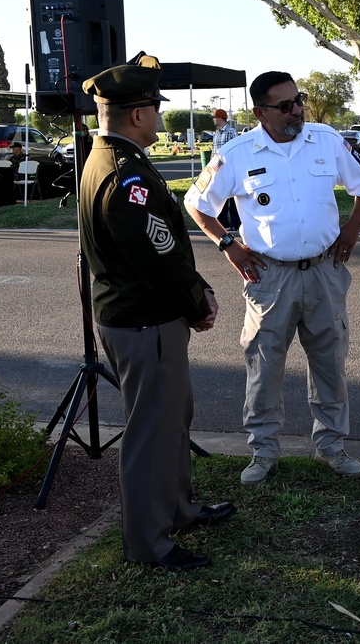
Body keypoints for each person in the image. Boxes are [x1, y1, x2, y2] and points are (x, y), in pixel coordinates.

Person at [79, 53, 235, 571]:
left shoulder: (112, 159)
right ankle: (150, 544)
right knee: (151, 433)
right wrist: (198, 300)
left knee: (172, 420)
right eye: (156, 107)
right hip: (146, 319)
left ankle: (179, 510)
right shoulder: (125, 174)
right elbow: (160, 254)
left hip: (142, 315)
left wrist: (193, 291)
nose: (161, 116)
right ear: (140, 114)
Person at [185, 71, 360, 486]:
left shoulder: (325, 140)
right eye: (285, 105)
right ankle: (263, 452)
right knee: (264, 366)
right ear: (260, 112)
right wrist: (228, 244)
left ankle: (331, 446)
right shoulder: (237, 153)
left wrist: (353, 227)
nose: (297, 111)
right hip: (270, 277)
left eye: (299, 100)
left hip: (324, 271)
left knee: (330, 364)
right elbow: (197, 203)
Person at [211, 108, 241, 230]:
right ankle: (224, 223)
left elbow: (236, 150)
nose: (213, 120)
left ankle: (236, 223)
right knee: (220, 197)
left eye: (214, 117)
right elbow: (214, 152)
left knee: (233, 198)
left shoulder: (231, 131)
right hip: (218, 170)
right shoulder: (216, 134)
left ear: (220, 118)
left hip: (230, 170)